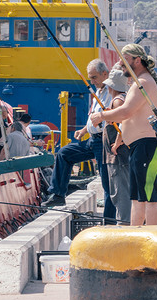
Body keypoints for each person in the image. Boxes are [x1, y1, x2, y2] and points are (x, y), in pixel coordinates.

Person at [90, 44, 157, 225]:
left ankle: (148, 235)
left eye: (125, 61)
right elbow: (129, 119)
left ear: (137, 60)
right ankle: (136, 234)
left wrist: (101, 115)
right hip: (138, 147)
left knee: (148, 197)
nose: (120, 64)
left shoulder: (143, 83)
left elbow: (126, 112)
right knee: (137, 198)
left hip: (146, 146)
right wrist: (119, 139)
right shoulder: (139, 83)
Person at [43, 59, 110, 206]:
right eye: (90, 77)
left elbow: (109, 117)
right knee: (64, 154)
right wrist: (84, 130)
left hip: (104, 140)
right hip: (93, 139)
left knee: (107, 181)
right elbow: (94, 117)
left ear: (105, 74)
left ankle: (110, 220)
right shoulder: (98, 92)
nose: (92, 81)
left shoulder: (111, 93)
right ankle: (58, 195)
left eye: (94, 77)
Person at [101, 67, 132, 225]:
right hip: (119, 156)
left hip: (117, 156)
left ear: (111, 86)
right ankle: (125, 222)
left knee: (120, 193)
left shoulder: (118, 100)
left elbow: (124, 123)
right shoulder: (124, 98)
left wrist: (117, 143)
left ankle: (124, 224)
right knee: (120, 192)